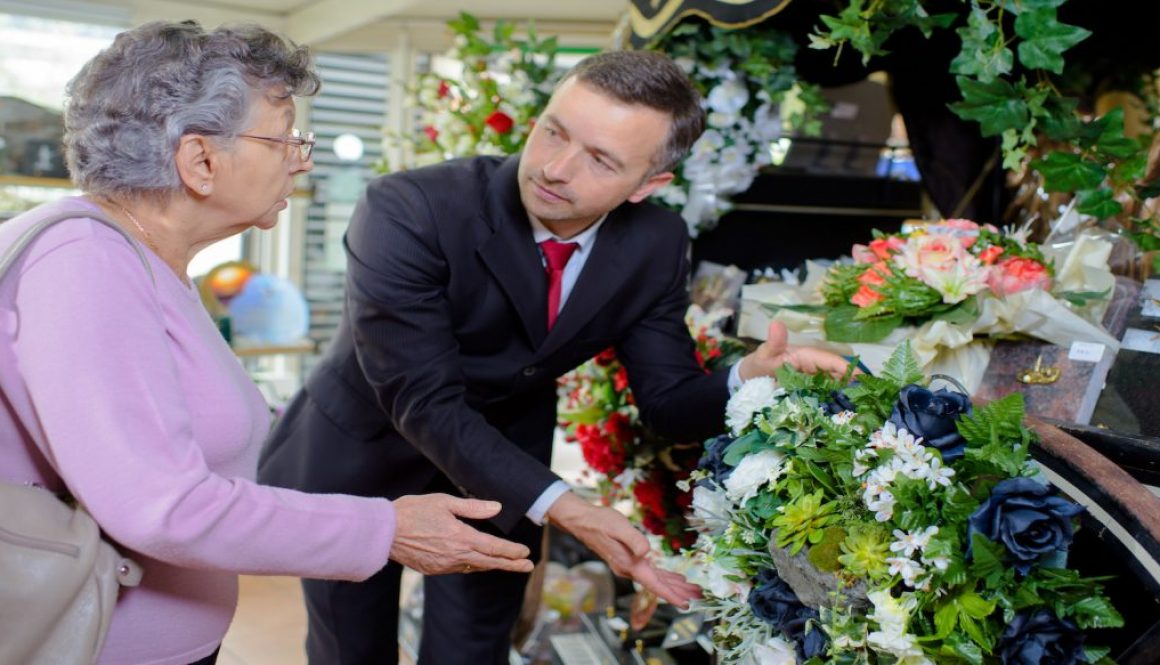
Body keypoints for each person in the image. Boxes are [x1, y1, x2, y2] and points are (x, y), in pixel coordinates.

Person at [257, 49, 852, 664]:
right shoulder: (411, 207)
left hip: (506, 457)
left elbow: (669, 402)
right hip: (364, 451)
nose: (556, 169)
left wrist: (746, 379)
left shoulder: (656, 241)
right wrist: (571, 510)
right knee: (351, 650)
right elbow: (423, 399)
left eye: (600, 159)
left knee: (473, 651)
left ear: (649, 185)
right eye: (554, 131)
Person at [0, 20, 534, 665]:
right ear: (200, 160)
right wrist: (385, 529)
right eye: (284, 140)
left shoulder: (142, 259)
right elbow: (163, 507)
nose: (301, 160)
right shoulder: (86, 262)